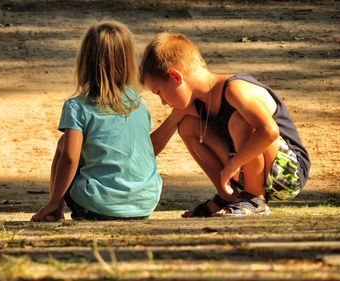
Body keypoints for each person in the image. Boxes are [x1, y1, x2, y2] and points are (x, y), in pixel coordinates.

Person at [139, 33, 310, 217]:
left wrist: (233, 165)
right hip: (243, 172)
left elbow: (269, 131)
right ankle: (229, 196)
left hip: (288, 174)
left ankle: (255, 198)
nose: (163, 102)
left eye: (159, 92)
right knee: (188, 126)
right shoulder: (194, 104)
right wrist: (176, 116)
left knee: (240, 121)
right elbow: (153, 148)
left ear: (175, 76)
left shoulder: (235, 89)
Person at [31, 20, 163, 222]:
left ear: (84, 61)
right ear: (128, 61)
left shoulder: (77, 106)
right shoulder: (139, 103)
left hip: (98, 204)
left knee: (65, 146)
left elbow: (69, 158)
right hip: (145, 202)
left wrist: (56, 198)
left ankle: (54, 207)